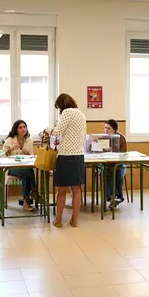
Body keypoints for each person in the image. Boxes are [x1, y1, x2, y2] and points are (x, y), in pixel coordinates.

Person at [43, 93, 87, 228]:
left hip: (66, 156)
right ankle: (74, 220)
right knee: (77, 190)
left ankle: (59, 220)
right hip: (79, 156)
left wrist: (47, 129)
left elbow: (57, 131)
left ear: (62, 105)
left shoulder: (67, 112)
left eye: (58, 107)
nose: (59, 110)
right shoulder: (81, 114)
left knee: (61, 190)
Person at [2, 120, 38, 212]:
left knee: (27, 175)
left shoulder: (29, 140)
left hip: (24, 168)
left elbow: (32, 157)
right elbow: (1, 156)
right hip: (12, 168)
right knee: (29, 171)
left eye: (24, 127)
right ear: (16, 129)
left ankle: (26, 203)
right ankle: (34, 190)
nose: (23, 129)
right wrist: (11, 150)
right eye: (20, 127)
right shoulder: (10, 140)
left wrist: (28, 154)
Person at [103, 119, 128, 207]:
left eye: (108, 128)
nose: (106, 130)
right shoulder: (102, 138)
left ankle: (118, 197)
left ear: (114, 129)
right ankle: (111, 196)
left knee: (118, 173)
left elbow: (123, 154)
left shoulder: (121, 138)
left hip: (119, 163)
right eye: (105, 128)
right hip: (106, 164)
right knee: (108, 172)